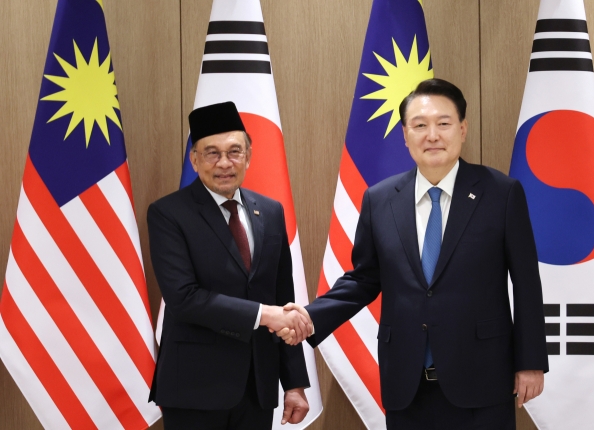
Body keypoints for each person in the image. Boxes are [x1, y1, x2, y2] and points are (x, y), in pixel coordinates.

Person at [282, 79, 549, 429]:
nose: (432, 135)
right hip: (406, 383)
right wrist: (310, 315)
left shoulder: (501, 193)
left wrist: (530, 361)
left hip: (481, 379)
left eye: (443, 123)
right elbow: (364, 279)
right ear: (405, 136)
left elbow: (527, 284)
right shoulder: (379, 200)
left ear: (463, 129)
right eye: (420, 125)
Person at [147, 101, 312, 430]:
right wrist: (265, 315)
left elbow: (283, 298)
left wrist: (294, 384)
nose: (224, 163)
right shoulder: (168, 214)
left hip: (257, 387)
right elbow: (185, 298)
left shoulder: (271, 211)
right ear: (194, 160)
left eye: (234, 152)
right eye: (211, 153)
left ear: (248, 157)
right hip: (194, 389)